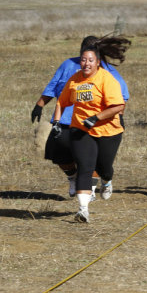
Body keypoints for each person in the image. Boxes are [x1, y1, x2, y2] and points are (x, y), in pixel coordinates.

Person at [31, 35, 129, 199]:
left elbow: (122, 96)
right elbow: (54, 86)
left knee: (90, 159)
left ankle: (88, 190)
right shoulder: (68, 64)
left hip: (91, 124)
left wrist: (118, 114)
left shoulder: (106, 71)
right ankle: (73, 178)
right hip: (65, 121)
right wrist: (39, 104)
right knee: (59, 154)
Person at [54, 41, 126, 223]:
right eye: (84, 60)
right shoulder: (75, 79)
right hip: (81, 130)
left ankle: (107, 180)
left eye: (90, 60)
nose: (86, 63)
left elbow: (119, 105)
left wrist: (97, 117)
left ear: (98, 62)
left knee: (104, 168)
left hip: (108, 130)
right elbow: (61, 102)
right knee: (85, 167)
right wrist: (56, 122)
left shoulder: (107, 79)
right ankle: (83, 210)